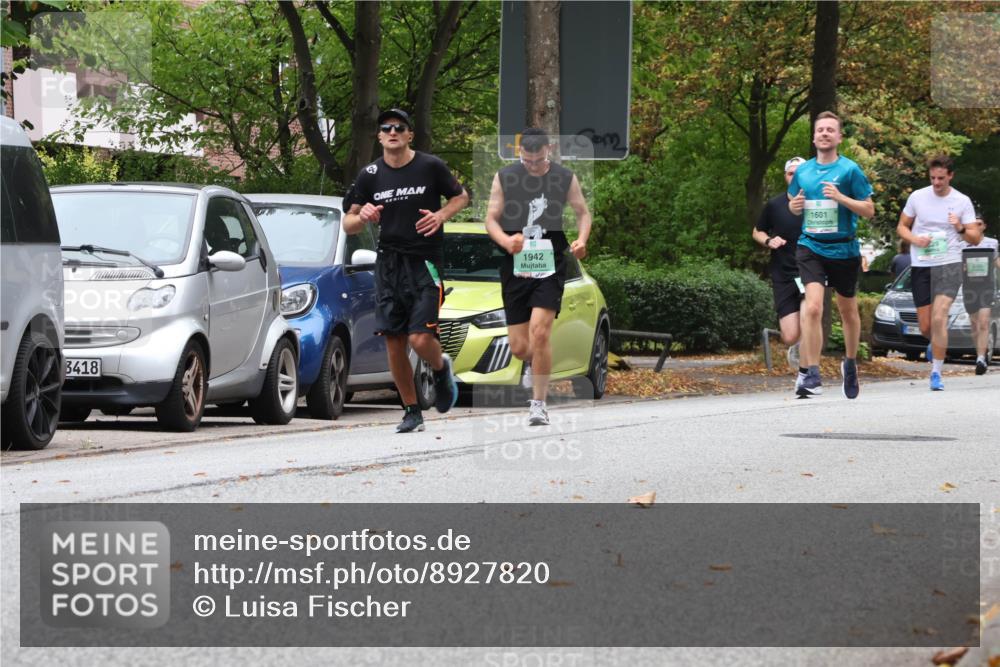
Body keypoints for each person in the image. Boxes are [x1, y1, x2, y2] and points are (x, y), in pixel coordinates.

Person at [342, 109, 469, 432]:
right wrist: (364, 215)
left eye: (400, 127)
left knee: (419, 337)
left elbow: (461, 196)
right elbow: (349, 223)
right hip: (388, 263)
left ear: (410, 134)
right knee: (394, 342)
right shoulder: (369, 175)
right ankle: (412, 410)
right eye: (387, 128)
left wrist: (441, 216)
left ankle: (441, 369)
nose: (393, 131)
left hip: (425, 260)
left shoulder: (429, 166)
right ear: (380, 136)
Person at [484, 128, 592, 426]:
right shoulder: (505, 176)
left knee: (541, 333)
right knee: (520, 347)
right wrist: (506, 242)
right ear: (520, 153)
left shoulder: (564, 177)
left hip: (550, 264)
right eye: (526, 160)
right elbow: (491, 220)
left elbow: (582, 213)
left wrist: (582, 240)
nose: (532, 166)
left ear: (549, 150)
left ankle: (538, 404)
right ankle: (535, 361)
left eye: (538, 161)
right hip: (515, 265)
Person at [788, 111, 875, 399]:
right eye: (820, 130)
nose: (824, 133)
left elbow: (869, 209)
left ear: (839, 137)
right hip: (811, 246)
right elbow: (792, 200)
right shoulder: (803, 171)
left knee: (848, 312)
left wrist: (840, 198)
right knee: (812, 307)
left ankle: (849, 363)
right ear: (814, 137)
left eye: (830, 130)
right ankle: (811, 371)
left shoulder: (850, 171)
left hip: (844, 249)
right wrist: (795, 206)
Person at [896, 155, 980, 390]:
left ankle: (936, 373)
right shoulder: (917, 197)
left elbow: (974, 238)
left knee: (939, 316)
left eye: (941, 178)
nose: (936, 183)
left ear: (950, 176)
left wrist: (960, 227)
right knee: (925, 326)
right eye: (933, 178)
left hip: (949, 264)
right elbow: (902, 226)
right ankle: (935, 343)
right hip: (922, 264)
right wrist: (914, 238)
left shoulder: (962, 201)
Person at [753, 156, 806, 368]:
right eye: (790, 173)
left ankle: (808, 359)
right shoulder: (775, 205)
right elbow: (757, 231)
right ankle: (798, 344)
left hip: (809, 270)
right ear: (785, 176)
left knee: (809, 312)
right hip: (782, 273)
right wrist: (769, 240)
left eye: (799, 173)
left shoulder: (816, 202)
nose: (794, 176)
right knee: (789, 335)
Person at [959, 214, 998, 375]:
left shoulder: (992, 243)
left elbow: (997, 261)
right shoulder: (962, 244)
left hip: (987, 286)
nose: (976, 226)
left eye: (979, 223)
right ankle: (979, 353)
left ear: (984, 226)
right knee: (975, 325)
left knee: (983, 322)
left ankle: (981, 359)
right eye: (973, 224)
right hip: (969, 288)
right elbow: (957, 266)